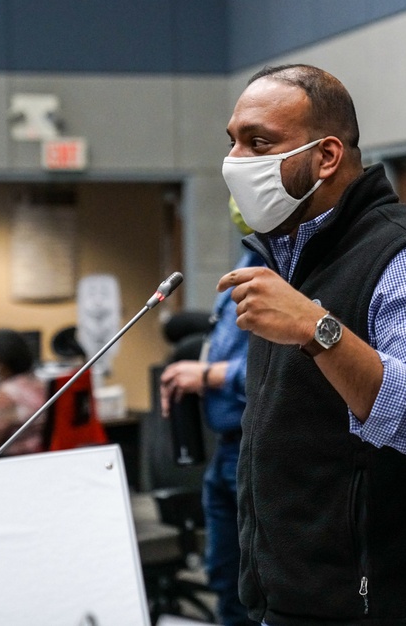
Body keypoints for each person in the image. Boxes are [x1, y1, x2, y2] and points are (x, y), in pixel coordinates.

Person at [220, 64, 406, 625]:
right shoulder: (294, 258)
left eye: (259, 143)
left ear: (326, 156)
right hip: (308, 601)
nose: (236, 162)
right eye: (232, 142)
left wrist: (317, 330)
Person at [160, 197, 263, 626]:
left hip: (260, 447)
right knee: (224, 578)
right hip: (226, 449)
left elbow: (288, 365)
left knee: (257, 589)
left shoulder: (289, 268)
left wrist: (207, 376)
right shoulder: (251, 254)